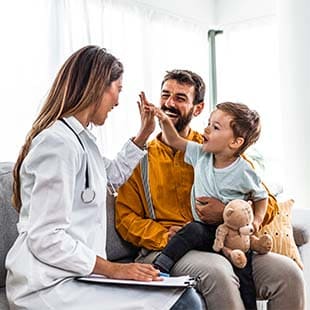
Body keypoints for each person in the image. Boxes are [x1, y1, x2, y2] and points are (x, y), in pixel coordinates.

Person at [5, 46, 203, 310]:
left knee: (179, 292)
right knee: (184, 303)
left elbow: (109, 176)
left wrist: (143, 135)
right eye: (118, 89)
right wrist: (113, 269)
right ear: (99, 86)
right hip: (48, 284)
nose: (118, 102)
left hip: (77, 276)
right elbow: (45, 237)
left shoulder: (81, 139)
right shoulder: (57, 144)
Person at [115, 69, 306, 310]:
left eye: (180, 98)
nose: (169, 103)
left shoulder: (217, 149)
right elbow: (125, 218)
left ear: (198, 108)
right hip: (168, 250)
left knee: (288, 274)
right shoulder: (139, 158)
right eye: (165, 95)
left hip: (223, 240)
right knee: (218, 272)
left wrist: (228, 212)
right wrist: (165, 236)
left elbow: (265, 199)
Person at [151, 101, 272, 309]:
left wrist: (257, 222)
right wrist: (163, 119)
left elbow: (262, 197)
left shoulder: (243, 170)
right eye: (209, 123)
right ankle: (161, 266)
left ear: (235, 142)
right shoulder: (201, 154)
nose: (206, 129)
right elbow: (173, 139)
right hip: (206, 231)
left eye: (215, 127)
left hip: (235, 237)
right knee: (192, 230)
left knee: (244, 277)